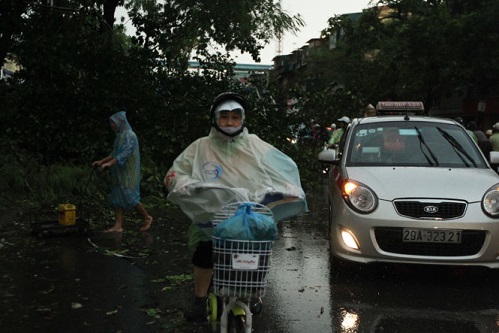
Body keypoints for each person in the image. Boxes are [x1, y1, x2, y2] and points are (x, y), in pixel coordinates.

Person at [164, 92, 308, 322]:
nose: (230, 122)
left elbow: (284, 167)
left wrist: (289, 188)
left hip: (249, 216)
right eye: (224, 117)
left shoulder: (255, 146)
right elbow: (174, 173)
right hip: (212, 217)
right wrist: (183, 183)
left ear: (242, 120)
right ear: (215, 119)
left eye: (235, 117)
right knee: (204, 253)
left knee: (256, 254)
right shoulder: (200, 147)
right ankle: (199, 298)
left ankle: (253, 294)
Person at [92, 111, 153, 233]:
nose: (112, 126)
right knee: (117, 197)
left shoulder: (130, 135)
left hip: (128, 173)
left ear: (120, 122)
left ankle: (147, 217)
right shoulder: (119, 136)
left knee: (130, 196)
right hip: (118, 172)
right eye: (111, 124)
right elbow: (114, 153)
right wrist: (101, 161)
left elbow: (125, 153)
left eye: (113, 123)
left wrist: (109, 163)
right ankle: (118, 225)